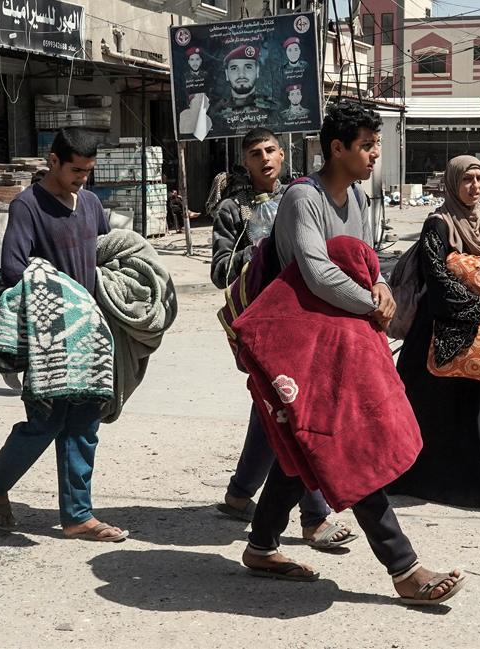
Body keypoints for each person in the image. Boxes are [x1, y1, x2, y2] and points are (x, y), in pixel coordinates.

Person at [239, 101, 465, 605]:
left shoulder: (361, 199)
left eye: (375, 144)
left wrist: (382, 289)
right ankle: (404, 567)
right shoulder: (304, 197)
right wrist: (371, 300)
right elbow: (317, 273)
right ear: (336, 148)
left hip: (345, 338)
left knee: (306, 446)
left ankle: (260, 544)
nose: (373, 154)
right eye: (365, 145)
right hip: (300, 345)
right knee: (345, 444)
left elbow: (368, 262)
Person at [0, 127, 128, 543]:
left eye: (89, 171)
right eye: (76, 170)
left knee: (84, 423)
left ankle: (78, 515)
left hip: (89, 335)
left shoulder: (91, 203)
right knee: (45, 420)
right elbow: (13, 268)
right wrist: (61, 295)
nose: (83, 178)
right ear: (54, 161)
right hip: (50, 337)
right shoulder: (28, 205)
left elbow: (103, 253)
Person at [211, 127, 352, 549]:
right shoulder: (232, 210)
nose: (265, 158)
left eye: (271, 150)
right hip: (263, 324)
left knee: (273, 412)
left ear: (284, 153)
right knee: (293, 413)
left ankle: (239, 495)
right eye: (255, 153)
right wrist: (258, 250)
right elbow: (219, 271)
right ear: (246, 161)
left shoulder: (304, 196)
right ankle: (315, 517)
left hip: (307, 317)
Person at [389, 155, 480, 512]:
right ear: (452, 183)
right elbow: (437, 281)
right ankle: (412, 478)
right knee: (427, 410)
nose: (475, 186)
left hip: (477, 337)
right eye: (467, 179)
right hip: (435, 333)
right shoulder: (437, 225)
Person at [212, 46, 275, 130]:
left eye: (248, 67)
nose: (241, 74)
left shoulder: (271, 108)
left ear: (257, 71)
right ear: (227, 74)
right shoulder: (216, 112)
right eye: (234, 68)